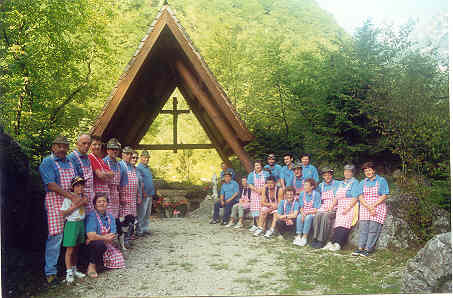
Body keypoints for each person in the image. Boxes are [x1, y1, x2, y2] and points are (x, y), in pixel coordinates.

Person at [39, 135, 86, 284]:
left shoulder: (71, 161)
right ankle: (51, 272)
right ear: (53, 147)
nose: (62, 149)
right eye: (59, 146)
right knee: (56, 236)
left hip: (73, 200)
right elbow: (51, 185)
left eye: (65, 146)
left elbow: (79, 179)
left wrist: (78, 195)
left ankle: (71, 268)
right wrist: (72, 197)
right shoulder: (47, 162)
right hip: (56, 201)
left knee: (74, 235)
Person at [352, 162, 390, 257]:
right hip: (365, 206)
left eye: (369, 170)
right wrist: (368, 207)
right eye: (366, 171)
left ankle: (368, 249)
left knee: (373, 228)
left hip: (378, 205)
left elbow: (384, 195)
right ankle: (360, 248)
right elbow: (360, 196)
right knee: (363, 228)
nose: (368, 172)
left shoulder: (381, 180)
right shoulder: (362, 182)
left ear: (373, 170)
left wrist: (373, 206)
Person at [85, 193, 125, 278]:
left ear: (107, 203)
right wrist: (103, 237)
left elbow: (113, 235)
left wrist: (97, 236)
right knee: (99, 244)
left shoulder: (111, 217)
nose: (102, 203)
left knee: (102, 245)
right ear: (95, 204)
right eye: (99, 202)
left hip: (108, 244)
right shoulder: (91, 216)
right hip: (92, 246)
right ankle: (91, 266)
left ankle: (100, 264)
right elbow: (90, 236)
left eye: (104, 201)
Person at [323, 164, 360, 251]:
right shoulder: (341, 183)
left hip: (350, 206)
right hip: (340, 206)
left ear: (353, 173)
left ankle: (338, 244)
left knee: (345, 224)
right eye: (345, 171)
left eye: (349, 172)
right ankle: (332, 242)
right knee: (338, 224)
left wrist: (348, 208)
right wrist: (331, 206)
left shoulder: (355, 182)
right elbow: (336, 197)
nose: (347, 173)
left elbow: (356, 197)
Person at [60, 176, 88, 283]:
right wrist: (77, 205)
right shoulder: (69, 198)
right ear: (72, 187)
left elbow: (85, 202)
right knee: (70, 250)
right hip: (72, 224)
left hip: (80, 223)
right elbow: (63, 213)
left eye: (82, 185)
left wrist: (82, 201)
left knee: (77, 248)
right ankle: (68, 272)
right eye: (77, 185)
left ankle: (74, 268)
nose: (80, 187)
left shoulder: (84, 196)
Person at [310, 166, 340, 248]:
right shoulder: (320, 185)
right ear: (323, 177)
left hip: (334, 206)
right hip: (323, 206)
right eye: (325, 175)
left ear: (332, 175)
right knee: (317, 215)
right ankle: (315, 237)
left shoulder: (338, 184)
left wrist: (331, 207)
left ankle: (321, 240)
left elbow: (339, 197)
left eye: (329, 175)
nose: (327, 177)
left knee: (325, 216)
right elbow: (318, 198)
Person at [68, 133, 95, 212]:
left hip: (90, 195)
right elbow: (75, 181)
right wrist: (82, 197)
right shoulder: (72, 157)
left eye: (88, 144)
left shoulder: (87, 157)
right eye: (84, 143)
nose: (86, 146)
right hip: (80, 196)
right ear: (77, 144)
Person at [103, 138, 127, 222]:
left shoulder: (119, 164)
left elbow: (121, 183)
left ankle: (114, 233)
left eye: (116, 149)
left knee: (116, 216)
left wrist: (121, 196)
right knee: (107, 215)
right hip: (106, 193)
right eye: (112, 149)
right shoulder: (104, 162)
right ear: (108, 150)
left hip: (116, 193)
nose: (115, 151)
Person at [119, 146, 139, 243]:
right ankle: (123, 241)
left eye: (130, 154)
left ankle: (128, 238)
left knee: (132, 219)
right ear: (122, 154)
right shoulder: (121, 165)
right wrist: (121, 197)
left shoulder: (132, 167)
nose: (129, 156)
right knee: (124, 220)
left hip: (132, 198)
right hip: (124, 198)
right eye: (127, 154)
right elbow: (118, 182)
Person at [294, 179, 321, 246]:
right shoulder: (302, 194)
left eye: (306, 185)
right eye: (304, 185)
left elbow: (316, 209)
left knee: (308, 218)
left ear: (312, 187)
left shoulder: (316, 194)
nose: (304, 187)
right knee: (299, 216)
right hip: (304, 211)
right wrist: (303, 213)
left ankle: (304, 237)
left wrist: (306, 213)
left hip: (312, 212)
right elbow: (301, 207)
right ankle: (298, 236)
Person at [88, 136, 114, 204]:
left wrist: (105, 173)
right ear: (90, 146)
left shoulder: (100, 159)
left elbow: (112, 174)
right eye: (94, 144)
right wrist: (106, 173)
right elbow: (100, 175)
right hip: (97, 192)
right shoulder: (90, 158)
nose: (97, 147)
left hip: (105, 192)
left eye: (99, 145)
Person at [136, 150, 155, 236]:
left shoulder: (147, 168)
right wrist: (143, 192)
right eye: (144, 157)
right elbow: (140, 182)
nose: (146, 159)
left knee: (147, 213)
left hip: (150, 194)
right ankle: (139, 230)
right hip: (144, 194)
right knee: (142, 213)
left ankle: (145, 228)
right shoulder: (138, 168)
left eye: (148, 158)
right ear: (141, 158)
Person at [247, 160, 270, 232]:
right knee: (256, 213)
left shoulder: (266, 173)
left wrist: (262, 190)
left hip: (264, 194)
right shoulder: (251, 175)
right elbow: (250, 184)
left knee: (263, 210)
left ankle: (264, 227)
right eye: (256, 165)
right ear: (254, 167)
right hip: (254, 195)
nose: (258, 166)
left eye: (259, 165)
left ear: (261, 166)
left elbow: (269, 182)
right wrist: (257, 190)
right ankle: (258, 226)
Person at [130, 151, 144, 236]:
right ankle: (129, 234)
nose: (135, 159)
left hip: (137, 196)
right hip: (129, 196)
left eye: (136, 158)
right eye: (133, 157)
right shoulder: (125, 167)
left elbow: (140, 183)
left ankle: (135, 231)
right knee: (129, 216)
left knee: (136, 215)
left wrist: (140, 195)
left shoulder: (137, 170)